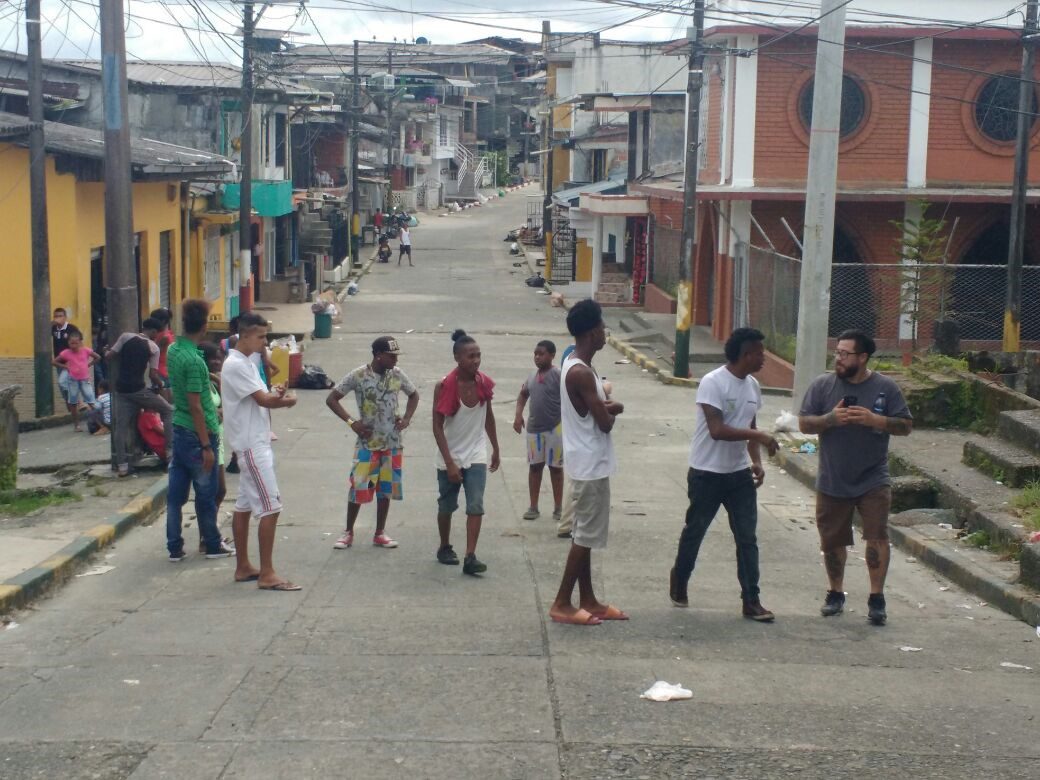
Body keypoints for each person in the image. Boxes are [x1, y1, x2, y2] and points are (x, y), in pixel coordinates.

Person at [798, 329, 913, 626]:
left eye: (845, 354)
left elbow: (905, 425)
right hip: (833, 478)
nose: (839, 358)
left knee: (876, 536)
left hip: (873, 478)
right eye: (837, 353)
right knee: (832, 541)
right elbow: (804, 424)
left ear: (863, 357)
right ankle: (835, 593)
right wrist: (829, 420)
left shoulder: (886, 388)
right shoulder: (823, 386)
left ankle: (877, 598)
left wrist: (877, 421)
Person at [669, 328, 779, 622]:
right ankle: (680, 578)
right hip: (707, 474)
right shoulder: (712, 383)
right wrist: (759, 435)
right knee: (695, 531)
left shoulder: (753, 386)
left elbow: (749, 423)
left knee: (747, 538)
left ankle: (751, 600)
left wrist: (755, 460)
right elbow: (717, 431)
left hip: (738, 475)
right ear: (745, 355)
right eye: (759, 352)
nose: (763, 357)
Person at [549, 299, 626, 626]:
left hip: (587, 460)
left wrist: (604, 406)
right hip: (589, 463)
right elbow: (603, 422)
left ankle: (589, 599)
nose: (604, 332)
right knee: (584, 537)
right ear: (592, 331)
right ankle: (562, 602)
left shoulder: (576, 364)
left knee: (586, 533)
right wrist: (614, 408)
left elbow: (590, 409)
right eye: (602, 327)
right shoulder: (580, 371)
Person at [221, 312, 300, 590]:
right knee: (271, 507)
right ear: (244, 336)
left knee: (243, 507)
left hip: (251, 441)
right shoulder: (236, 365)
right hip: (252, 444)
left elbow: (261, 395)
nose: (265, 342)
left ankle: (243, 566)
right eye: (261, 337)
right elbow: (264, 400)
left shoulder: (247, 360)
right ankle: (267, 573)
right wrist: (286, 401)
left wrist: (275, 392)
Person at [326, 336, 419, 550]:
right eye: (391, 356)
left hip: (392, 442)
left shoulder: (397, 375)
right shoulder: (359, 375)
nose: (395, 360)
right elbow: (332, 399)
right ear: (378, 355)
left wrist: (406, 418)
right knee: (359, 486)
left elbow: (414, 395)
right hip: (368, 442)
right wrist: (352, 422)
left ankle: (380, 532)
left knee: (385, 489)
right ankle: (348, 531)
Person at [165, 299, 232, 562]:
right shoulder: (195, 361)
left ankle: (174, 547)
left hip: (179, 429)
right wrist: (206, 446)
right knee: (206, 494)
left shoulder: (173, 351)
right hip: (198, 433)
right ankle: (213, 544)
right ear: (204, 327)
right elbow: (196, 406)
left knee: (175, 496)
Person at [432, 329, 500, 575]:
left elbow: (488, 417)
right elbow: (437, 427)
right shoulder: (444, 386)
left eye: (478, 355)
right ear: (457, 359)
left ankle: (470, 556)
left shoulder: (483, 383)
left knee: (476, 504)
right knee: (446, 506)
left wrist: (495, 447)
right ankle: (444, 546)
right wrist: (449, 463)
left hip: (476, 453)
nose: (476, 361)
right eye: (471, 356)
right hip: (450, 455)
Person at [106, 318, 173, 476]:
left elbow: (109, 356)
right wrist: (160, 385)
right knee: (168, 411)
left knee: (120, 427)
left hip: (122, 390)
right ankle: (170, 453)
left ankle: (122, 465)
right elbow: (153, 374)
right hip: (139, 390)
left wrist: (105, 350)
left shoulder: (125, 337)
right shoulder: (153, 347)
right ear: (155, 332)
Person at [513, 340, 563, 523]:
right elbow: (523, 395)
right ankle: (533, 506)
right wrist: (518, 416)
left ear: (552, 355)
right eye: (535, 354)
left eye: (541, 354)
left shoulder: (558, 375)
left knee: (556, 468)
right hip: (534, 430)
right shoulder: (532, 376)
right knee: (535, 468)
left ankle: (558, 508)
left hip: (555, 429)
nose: (537, 357)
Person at [52, 331, 100, 431]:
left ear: (80, 342)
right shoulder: (66, 353)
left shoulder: (86, 350)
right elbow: (54, 361)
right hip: (72, 380)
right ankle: (76, 425)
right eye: (71, 343)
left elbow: (98, 357)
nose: (73, 345)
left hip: (84, 379)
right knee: (73, 403)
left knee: (91, 401)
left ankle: (100, 421)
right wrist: (65, 366)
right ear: (68, 343)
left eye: (76, 343)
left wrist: (89, 365)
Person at [51, 308, 76, 403]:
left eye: (60, 316)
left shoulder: (71, 328)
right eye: (56, 316)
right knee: (63, 389)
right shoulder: (53, 328)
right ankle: (71, 408)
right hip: (59, 363)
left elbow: (79, 344)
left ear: (65, 317)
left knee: (63, 382)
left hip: (70, 362)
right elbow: (43, 329)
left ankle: (77, 402)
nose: (58, 318)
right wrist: (52, 322)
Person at [151, 307, 174, 396]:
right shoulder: (169, 334)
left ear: (163, 321)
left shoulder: (163, 337)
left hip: (160, 371)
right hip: (166, 370)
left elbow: (154, 352)